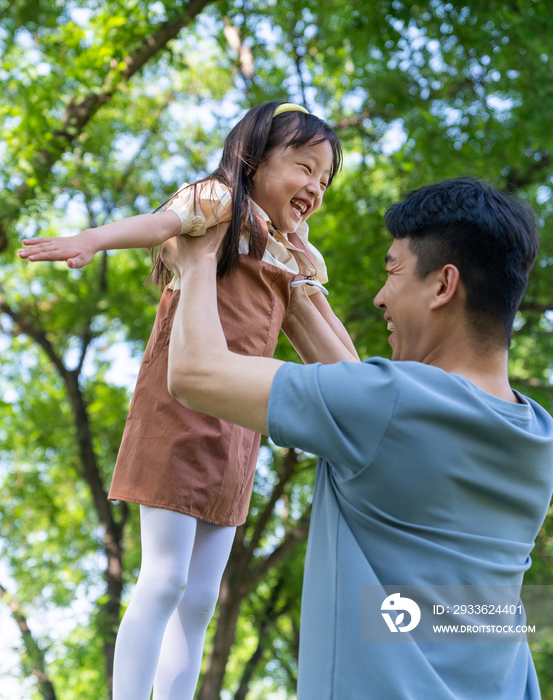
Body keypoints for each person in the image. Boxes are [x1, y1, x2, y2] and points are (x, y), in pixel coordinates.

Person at [18, 102, 358, 700]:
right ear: (253, 157)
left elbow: (341, 358)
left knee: (202, 595)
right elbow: (157, 225)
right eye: (305, 167)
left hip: (236, 426)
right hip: (178, 408)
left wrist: (309, 274)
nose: (314, 187)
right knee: (166, 577)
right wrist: (91, 240)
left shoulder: (287, 253)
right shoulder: (221, 203)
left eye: (324, 180)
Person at [164, 177, 553, 700]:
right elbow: (364, 411)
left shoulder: (387, 406)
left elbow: (194, 375)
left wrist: (194, 261)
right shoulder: (537, 436)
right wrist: (293, 283)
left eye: (392, 272)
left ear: (443, 285)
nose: (379, 296)